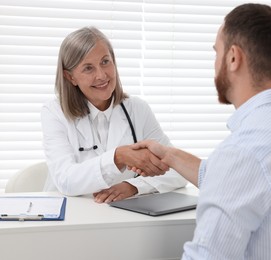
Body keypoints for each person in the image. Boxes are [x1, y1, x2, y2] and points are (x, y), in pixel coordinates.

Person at [131, 3, 271, 259]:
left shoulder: (244, 152)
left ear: (233, 57)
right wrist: (169, 155)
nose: (215, 62)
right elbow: (250, 184)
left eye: (216, 52)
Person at [41, 26, 187, 203]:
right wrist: (118, 157)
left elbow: (177, 170)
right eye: (88, 68)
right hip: (71, 218)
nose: (101, 75)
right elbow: (66, 180)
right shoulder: (55, 113)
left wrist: (134, 186)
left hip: (121, 218)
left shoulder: (137, 109)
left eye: (105, 62)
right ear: (70, 77)